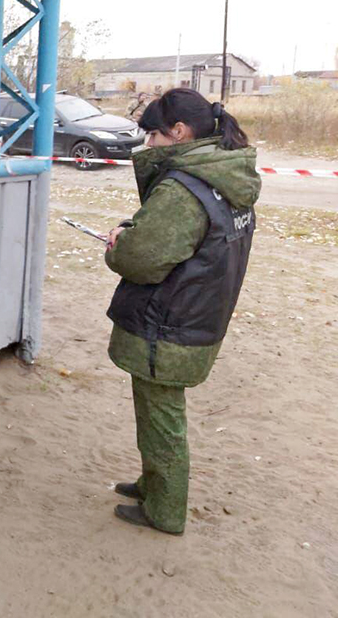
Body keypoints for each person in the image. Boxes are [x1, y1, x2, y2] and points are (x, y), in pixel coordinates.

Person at [103, 88, 260, 534]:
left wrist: (120, 243)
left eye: (152, 135)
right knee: (156, 412)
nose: (148, 145)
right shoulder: (229, 175)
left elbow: (142, 259)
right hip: (197, 317)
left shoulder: (182, 189)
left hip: (167, 327)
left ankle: (165, 510)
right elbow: (192, 244)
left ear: (178, 132)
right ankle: (153, 483)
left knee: (161, 418)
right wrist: (139, 232)